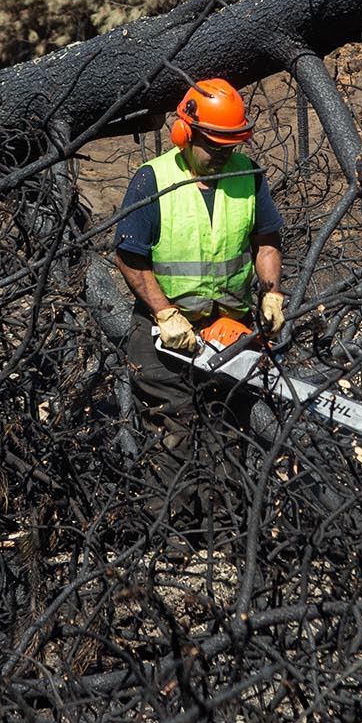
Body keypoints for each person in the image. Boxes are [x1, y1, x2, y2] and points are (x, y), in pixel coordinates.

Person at [113, 79, 284, 531]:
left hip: (228, 324)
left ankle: (225, 533)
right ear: (185, 133)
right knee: (176, 426)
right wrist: (164, 312)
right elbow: (130, 254)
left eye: (231, 143)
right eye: (214, 144)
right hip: (163, 329)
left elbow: (267, 239)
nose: (223, 153)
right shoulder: (154, 179)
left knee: (229, 424)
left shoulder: (247, 175)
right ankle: (167, 535)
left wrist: (271, 291)